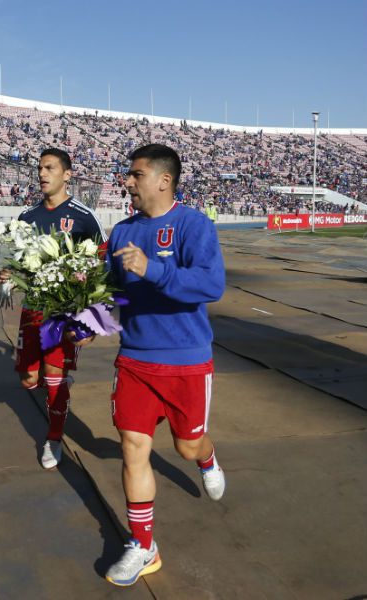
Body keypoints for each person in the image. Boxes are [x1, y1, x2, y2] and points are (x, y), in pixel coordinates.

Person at [102, 144, 226, 586]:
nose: (128, 182)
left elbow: (212, 284)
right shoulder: (120, 232)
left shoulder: (195, 225)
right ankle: (143, 545)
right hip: (134, 359)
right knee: (133, 447)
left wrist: (153, 269)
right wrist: (79, 306)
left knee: (186, 447)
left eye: (136, 175)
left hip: (187, 362)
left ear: (163, 180)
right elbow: (111, 292)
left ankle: (207, 459)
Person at [0, 148, 107, 470]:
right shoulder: (27, 217)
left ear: (67, 175)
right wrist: (7, 274)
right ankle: (56, 386)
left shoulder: (84, 216)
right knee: (29, 380)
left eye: (49, 168)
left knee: (54, 379)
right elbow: (17, 262)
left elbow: (101, 267)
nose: (42, 174)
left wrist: (92, 318)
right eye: (40, 168)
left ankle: (54, 438)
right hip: (32, 310)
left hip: (63, 314)